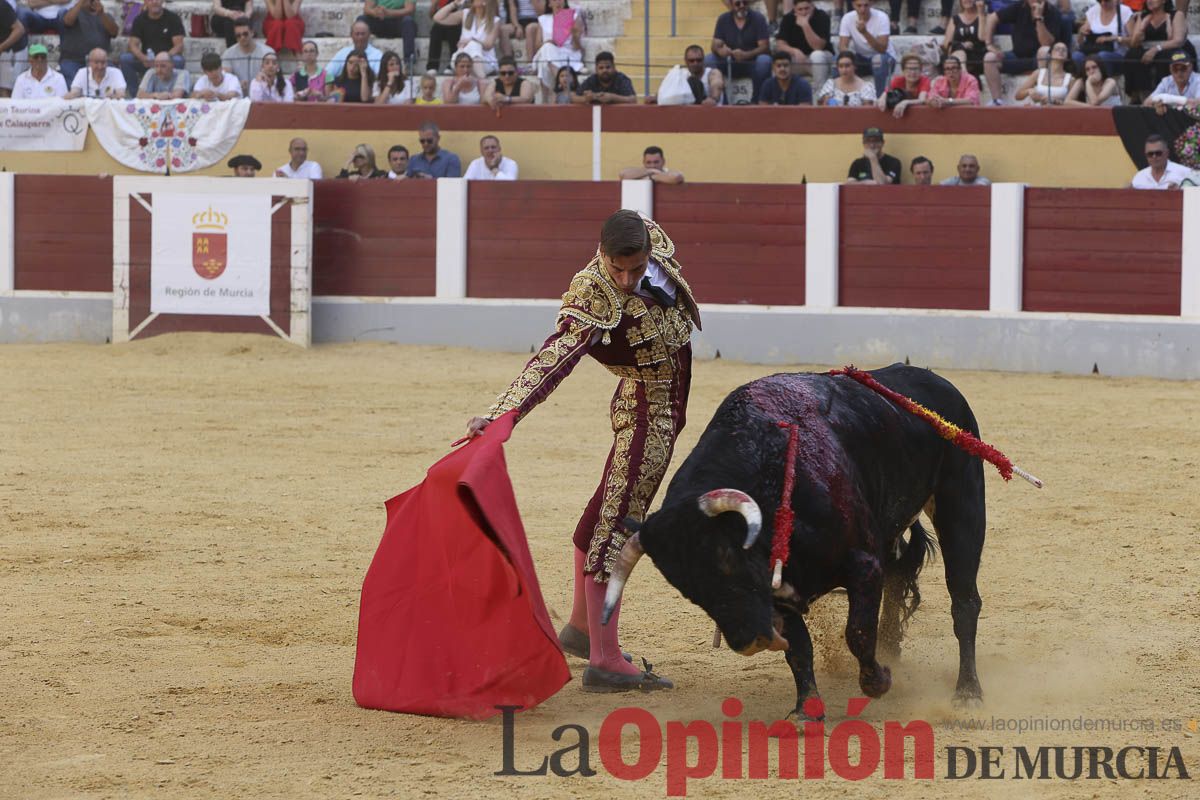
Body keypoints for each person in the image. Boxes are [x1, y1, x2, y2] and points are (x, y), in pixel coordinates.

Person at [465, 210, 700, 693]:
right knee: (615, 529)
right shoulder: (591, 292)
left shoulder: (651, 236)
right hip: (645, 417)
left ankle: (578, 628)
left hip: (664, 411)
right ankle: (605, 659)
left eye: (636, 269)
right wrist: (503, 413)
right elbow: (553, 358)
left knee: (604, 515)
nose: (627, 280)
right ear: (602, 256)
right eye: (618, 270)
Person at [982, 0, 1069, 106]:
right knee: (989, 57)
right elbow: (992, 18)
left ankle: (1040, 98)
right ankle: (997, 101)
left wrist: (1038, 18)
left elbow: (1046, 43)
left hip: (1037, 60)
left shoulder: (1052, 12)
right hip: (1016, 56)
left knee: (1044, 51)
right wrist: (989, 44)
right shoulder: (1019, 7)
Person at [1124, 0, 1192, 104]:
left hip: (1168, 48)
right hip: (1146, 49)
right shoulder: (1143, 16)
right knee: (1132, 55)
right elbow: (1133, 43)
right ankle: (1139, 95)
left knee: (1166, 57)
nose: (1149, 1)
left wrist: (1156, 49)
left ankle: (1168, 96)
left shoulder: (1176, 14)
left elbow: (1178, 40)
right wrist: (1139, 32)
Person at [706, 0, 771, 103]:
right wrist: (720, 50)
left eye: (744, 3)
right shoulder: (723, 19)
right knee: (709, 59)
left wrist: (746, 55)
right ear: (731, 4)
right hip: (729, 61)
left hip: (752, 62)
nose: (741, 6)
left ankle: (757, 101)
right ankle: (723, 101)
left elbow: (765, 47)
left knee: (765, 60)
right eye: (737, 3)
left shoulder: (758, 18)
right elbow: (715, 45)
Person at [119, 0, 185, 98]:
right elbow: (132, 44)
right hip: (147, 60)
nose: (154, 2)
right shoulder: (140, 19)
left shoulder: (173, 18)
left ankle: (172, 95)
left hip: (166, 60)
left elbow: (179, 45)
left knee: (178, 60)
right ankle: (135, 96)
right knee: (125, 59)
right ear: (145, 2)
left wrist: (164, 59)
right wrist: (142, 57)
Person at [838, 0, 897, 96]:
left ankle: (880, 98)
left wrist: (864, 32)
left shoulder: (881, 17)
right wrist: (847, 60)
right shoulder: (847, 18)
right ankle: (839, 97)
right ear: (853, 5)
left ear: (871, 4)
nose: (862, 9)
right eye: (859, 5)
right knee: (837, 60)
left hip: (885, 58)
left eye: (866, 5)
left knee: (878, 60)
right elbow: (842, 46)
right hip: (861, 58)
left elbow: (882, 49)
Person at [529, 0, 583, 100]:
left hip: (567, 54)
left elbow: (577, 47)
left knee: (543, 62)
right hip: (546, 51)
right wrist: (548, 42)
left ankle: (546, 98)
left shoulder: (574, 16)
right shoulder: (543, 19)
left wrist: (575, 35)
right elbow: (537, 45)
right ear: (549, 4)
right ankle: (560, 81)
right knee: (547, 48)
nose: (558, 2)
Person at [774, 0, 834, 92]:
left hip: (821, 59)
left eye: (807, 8)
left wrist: (805, 25)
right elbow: (780, 44)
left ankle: (821, 93)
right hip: (799, 59)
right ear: (794, 9)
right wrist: (794, 51)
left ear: (812, 6)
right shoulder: (788, 18)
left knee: (817, 55)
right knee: (778, 63)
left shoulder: (822, 16)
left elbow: (818, 47)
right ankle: (780, 97)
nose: (804, 12)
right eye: (800, 9)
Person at [57, 0, 117, 87]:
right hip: (73, 61)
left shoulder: (105, 16)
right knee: (75, 87)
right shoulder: (71, 12)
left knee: (113, 79)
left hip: (99, 61)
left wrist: (101, 14)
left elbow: (114, 32)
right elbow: (68, 21)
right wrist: (81, 2)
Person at [434, 0, 500, 78]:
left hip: (485, 61)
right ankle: (481, 78)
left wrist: (472, 40)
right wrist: (454, 4)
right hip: (461, 59)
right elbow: (437, 18)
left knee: (474, 44)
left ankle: (481, 77)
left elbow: (489, 44)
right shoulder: (465, 13)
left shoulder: (495, 20)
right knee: (469, 49)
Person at [1072, 0, 1133, 76]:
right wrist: (1081, 33)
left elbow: (1133, 41)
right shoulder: (1092, 11)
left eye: (1107, 1)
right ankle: (1083, 82)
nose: (1103, 3)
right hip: (1092, 51)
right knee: (1076, 56)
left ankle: (1104, 84)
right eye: (1100, 1)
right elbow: (1080, 42)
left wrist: (1114, 38)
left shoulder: (1124, 11)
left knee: (1102, 56)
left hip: (1116, 54)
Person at [222, 19, 275, 96]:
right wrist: (237, 85)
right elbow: (225, 79)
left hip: (262, 97)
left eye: (245, 34)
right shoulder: (228, 54)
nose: (242, 37)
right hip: (238, 98)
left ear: (252, 32)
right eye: (238, 35)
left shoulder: (267, 52)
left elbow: (274, 78)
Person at [358, 0, 415, 65]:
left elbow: (410, 10)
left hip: (399, 23)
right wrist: (376, 12)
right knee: (361, 20)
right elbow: (367, 9)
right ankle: (358, 56)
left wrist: (389, 13)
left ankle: (409, 62)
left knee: (408, 21)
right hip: (380, 21)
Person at [572, 51, 636, 104]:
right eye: (601, 68)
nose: (604, 70)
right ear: (596, 69)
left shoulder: (621, 79)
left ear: (614, 67)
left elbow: (633, 100)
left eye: (608, 67)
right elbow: (573, 98)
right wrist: (586, 99)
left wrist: (612, 97)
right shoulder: (592, 80)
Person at [943, 0, 987, 78]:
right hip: (956, 54)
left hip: (976, 54)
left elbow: (983, 37)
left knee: (958, 51)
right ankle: (965, 75)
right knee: (958, 49)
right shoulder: (955, 19)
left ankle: (963, 75)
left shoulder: (983, 16)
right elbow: (946, 44)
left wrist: (981, 14)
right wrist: (962, 45)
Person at [877, 52, 929, 116]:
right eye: (909, 69)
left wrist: (905, 102)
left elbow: (922, 100)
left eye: (916, 69)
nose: (913, 72)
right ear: (903, 71)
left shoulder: (924, 80)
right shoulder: (897, 80)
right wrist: (882, 100)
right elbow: (885, 94)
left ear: (921, 71)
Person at [426, 0, 462, 74]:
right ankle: (432, 66)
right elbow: (432, 16)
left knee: (453, 29)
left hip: (457, 23)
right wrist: (434, 4)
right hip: (442, 23)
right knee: (436, 29)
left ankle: (452, 65)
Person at [618, 146, 685, 184]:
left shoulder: (667, 173)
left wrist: (651, 177)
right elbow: (623, 174)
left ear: (663, 161)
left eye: (656, 162)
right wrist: (650, 171)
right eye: (648, 162)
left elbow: (676, 177)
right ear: (643, 162)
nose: (652, 166)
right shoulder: (640, 173)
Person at [0, 1, 26, 99]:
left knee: (5, 90)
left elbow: (19, 29)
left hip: (12, 50)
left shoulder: (2, 5)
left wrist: (1, 48)